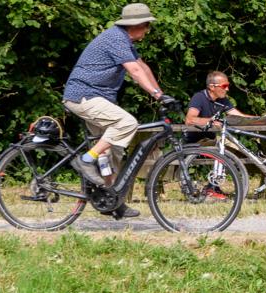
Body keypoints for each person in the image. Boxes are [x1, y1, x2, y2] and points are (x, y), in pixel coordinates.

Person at [61, 2, 179, 217]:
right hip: (83, 96)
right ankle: (85, 160)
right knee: (127, 124)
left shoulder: (125, 41)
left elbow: (143, 67)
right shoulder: (115, 38)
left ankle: (112, 200)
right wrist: (157, 95)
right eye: (146, 25)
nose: (147, 30)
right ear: (135, 25)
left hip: (97, 97)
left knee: (113, 151)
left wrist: (161, 95)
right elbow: (134, 70)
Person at [185, 71, 252, 143]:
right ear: (212, 87)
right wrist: (210, 121)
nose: (227, 89)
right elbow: (189, 120)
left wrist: (261, 120)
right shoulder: (199, 97)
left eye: (228, 86)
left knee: (237, 149)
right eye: (224, 86)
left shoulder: (223, 100)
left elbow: (240, 116)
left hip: (212, 139)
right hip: (195, 143)